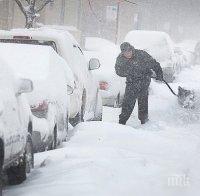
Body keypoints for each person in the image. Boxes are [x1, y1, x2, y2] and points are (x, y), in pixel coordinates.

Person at [115, 42, 163, 125]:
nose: (128, 54)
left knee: (143, 100)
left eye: (129, 51)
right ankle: (122, 121)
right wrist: (130, 72)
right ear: (122, 53)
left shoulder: (142, 54)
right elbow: (118, 71)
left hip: (144, 80)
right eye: (125, 53)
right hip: (131, 82)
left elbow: (155, 64)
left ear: (132, 49)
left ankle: (144, 120)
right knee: (128, 102)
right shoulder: (120, 59)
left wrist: (159, 74)